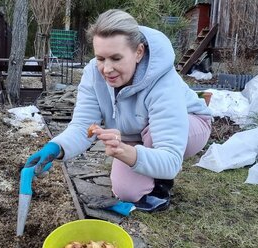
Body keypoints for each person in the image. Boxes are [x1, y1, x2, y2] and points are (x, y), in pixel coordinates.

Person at [25, 9, 212, 212]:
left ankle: (160, 189)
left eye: (116, 58)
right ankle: (142, 170)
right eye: (101, 58)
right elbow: (83, 127)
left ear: (138, 52)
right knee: (126, 192)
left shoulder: (163, 81)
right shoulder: (92, 75)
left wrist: (124, 151)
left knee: (153, 137)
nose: (107, 69)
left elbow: (170, 159)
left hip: (191, 125)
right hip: (135, 133)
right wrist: (56, 148)